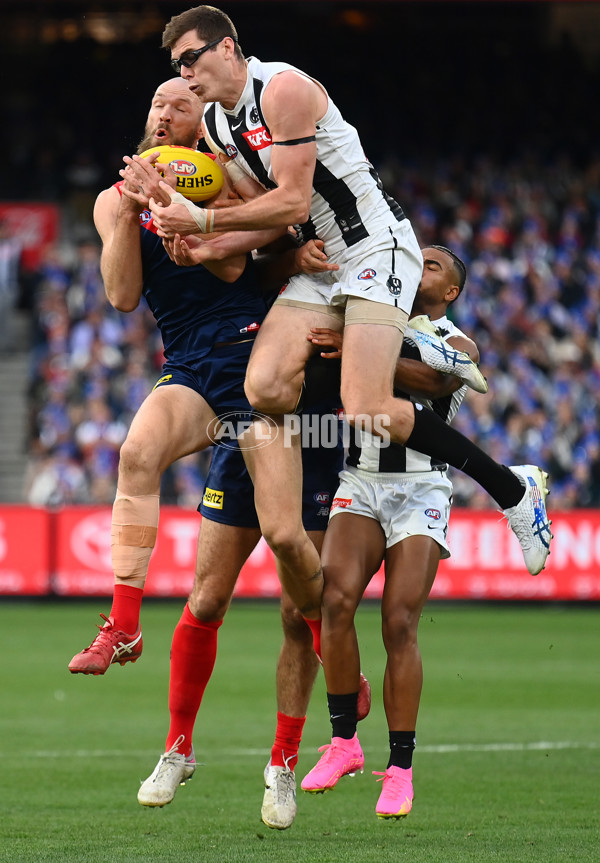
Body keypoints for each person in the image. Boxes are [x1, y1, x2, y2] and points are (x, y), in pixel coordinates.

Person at [148, 7, 552, 645]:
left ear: (228, 48)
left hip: (375, 250)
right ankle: (397, 352)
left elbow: (292, 201)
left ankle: (513, 487)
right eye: (175, 67)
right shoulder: (223, 124)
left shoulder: (281, 88)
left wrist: (202, 224)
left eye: (191, 60)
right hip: (325, 264)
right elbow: (274, 223)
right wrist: (202, 245)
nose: (185, 74)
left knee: (365, 404)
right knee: (266, 388)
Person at [65, 77, 348, 831]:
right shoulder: (109, 201)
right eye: (158, 103)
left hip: (259, 375)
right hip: (192, 368)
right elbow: (124, 294)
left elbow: (228, 268)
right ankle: (125, 628)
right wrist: (132, 211)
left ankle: (314, 731)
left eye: (182, 103)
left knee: (290, 556)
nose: (166, 110)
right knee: (138, 456)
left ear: (206, 120)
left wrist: (182, 208)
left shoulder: (234, 178)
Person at [299, 247, 501, 819]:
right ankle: (343, 744)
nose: (422, 267)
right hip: (360, 480)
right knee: (332, 601)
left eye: (435, 266)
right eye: (420, 259)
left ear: (452, 292)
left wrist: (359, 358)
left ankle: (401, 769)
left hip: (420, 490)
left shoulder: (459, 343)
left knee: (398, 622)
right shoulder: (373, 317)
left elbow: (432, 383)